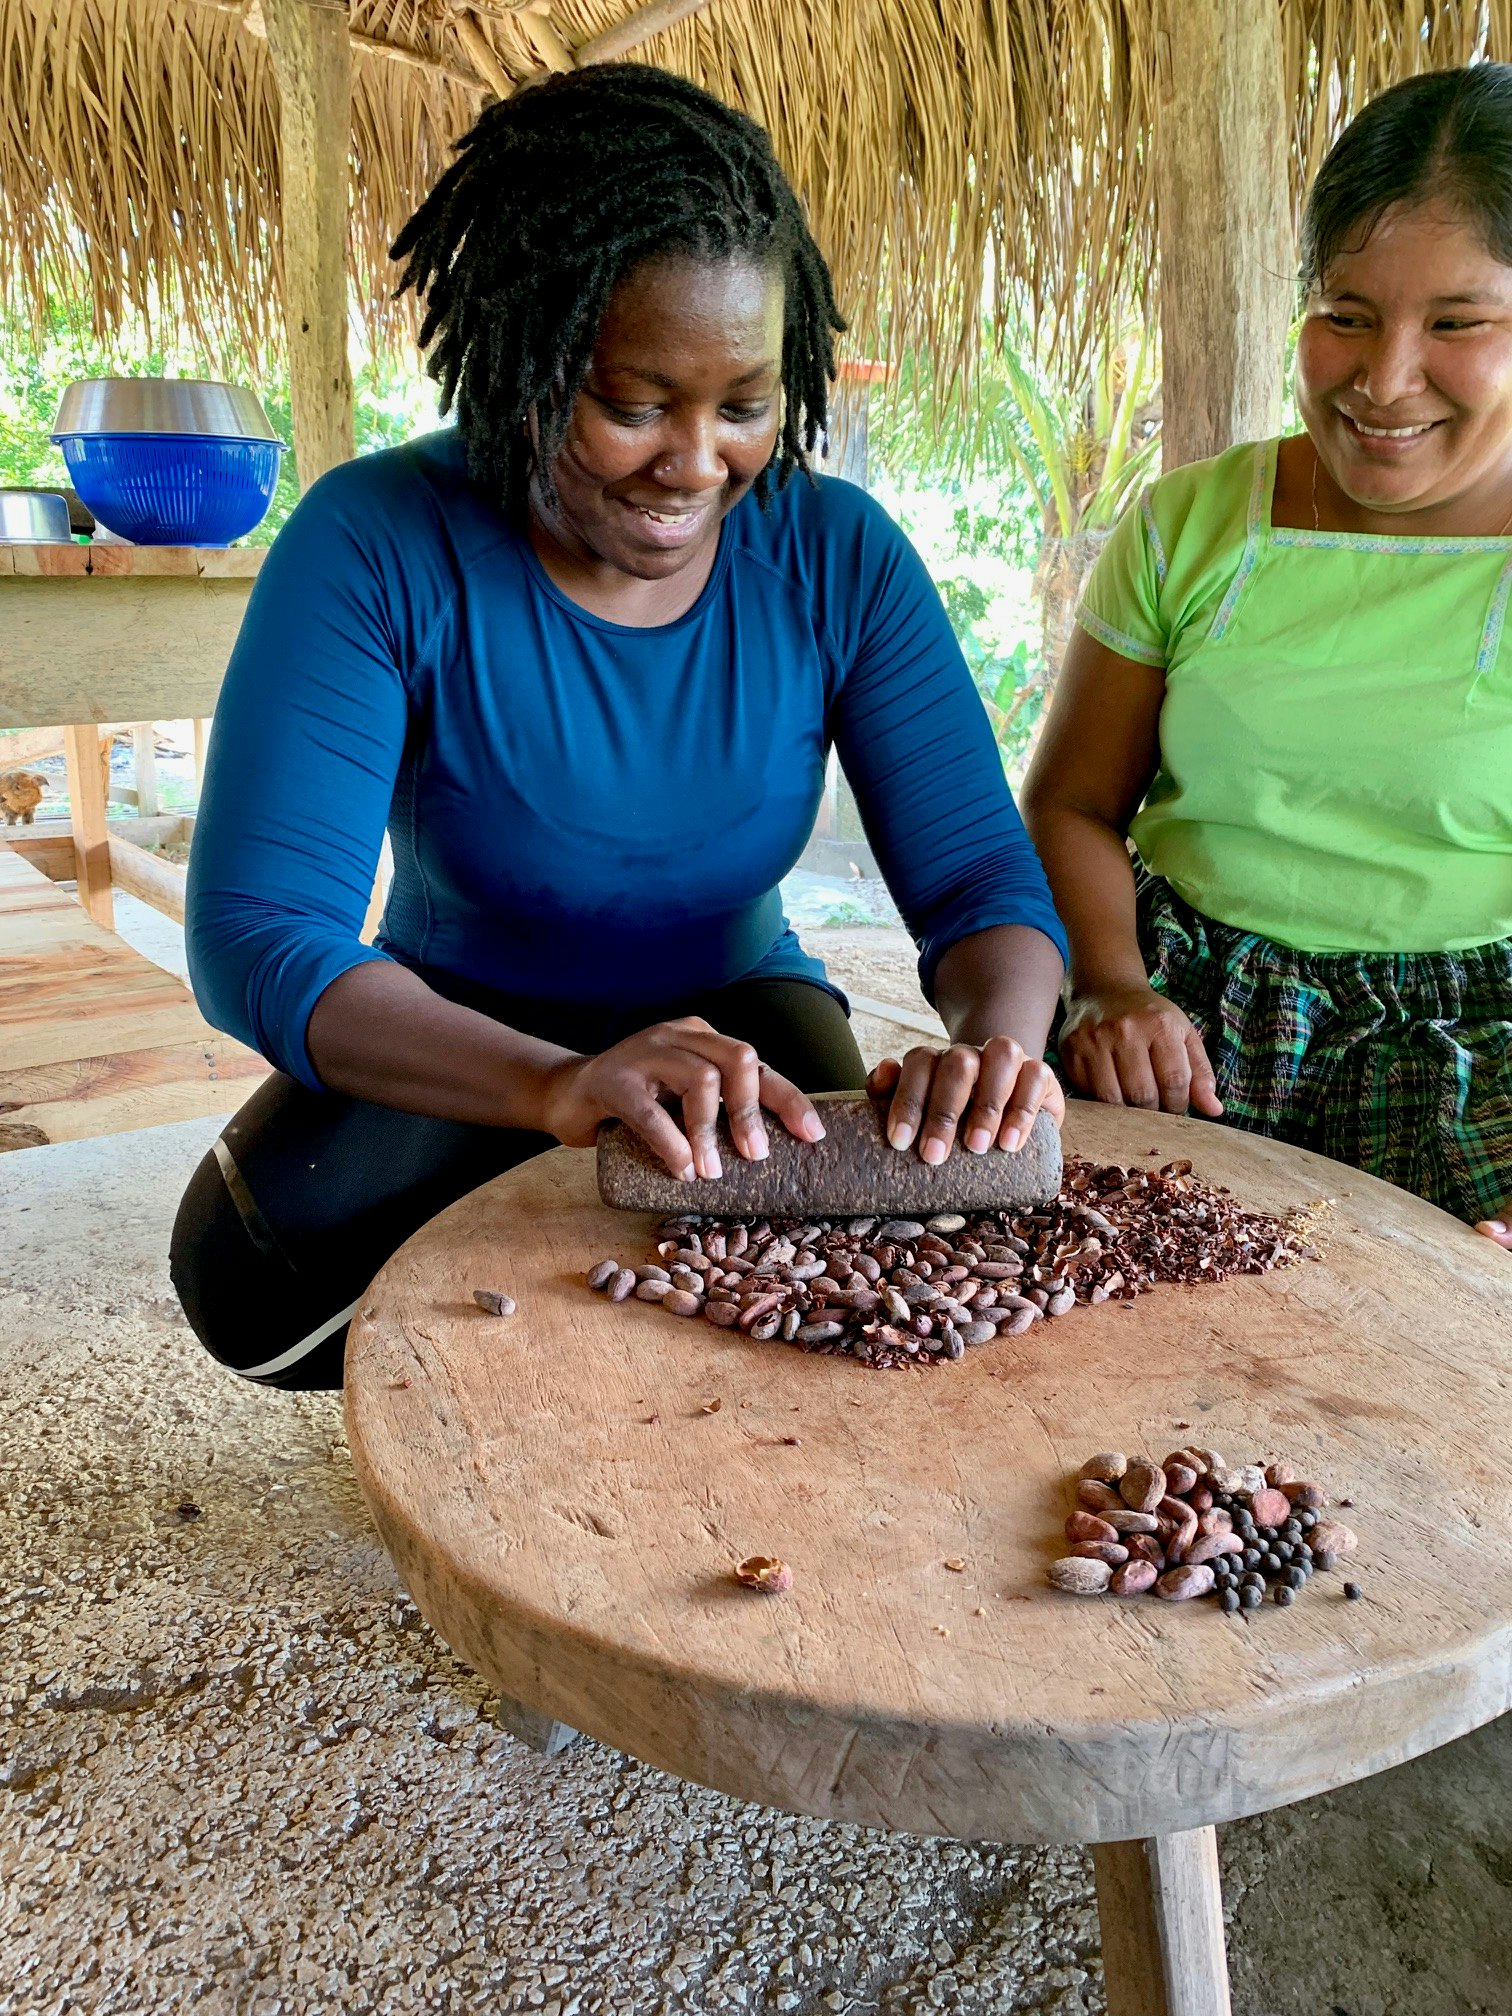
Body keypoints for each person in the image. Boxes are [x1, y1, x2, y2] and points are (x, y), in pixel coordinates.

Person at [171, 64, 1068, 1390]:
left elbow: (980, 883)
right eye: (634, 405)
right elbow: (256, 932)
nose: (696, 463)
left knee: (865, 1267)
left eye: (744, 405)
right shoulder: (376, 540)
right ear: (527, 360)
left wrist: (999, 1050)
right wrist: (554, 1087)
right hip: (461, 1014)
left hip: (740, 1016)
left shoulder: (837, 555)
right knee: (253, 1289)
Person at [1021, 65, 1512, 1248]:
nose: (1384, 380)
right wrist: (1111, 987)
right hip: (1187, 1020)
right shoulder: (1195, 526)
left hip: (1475, 1054)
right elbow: (1071, 804)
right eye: (1345, 313)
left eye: (1458, 324)